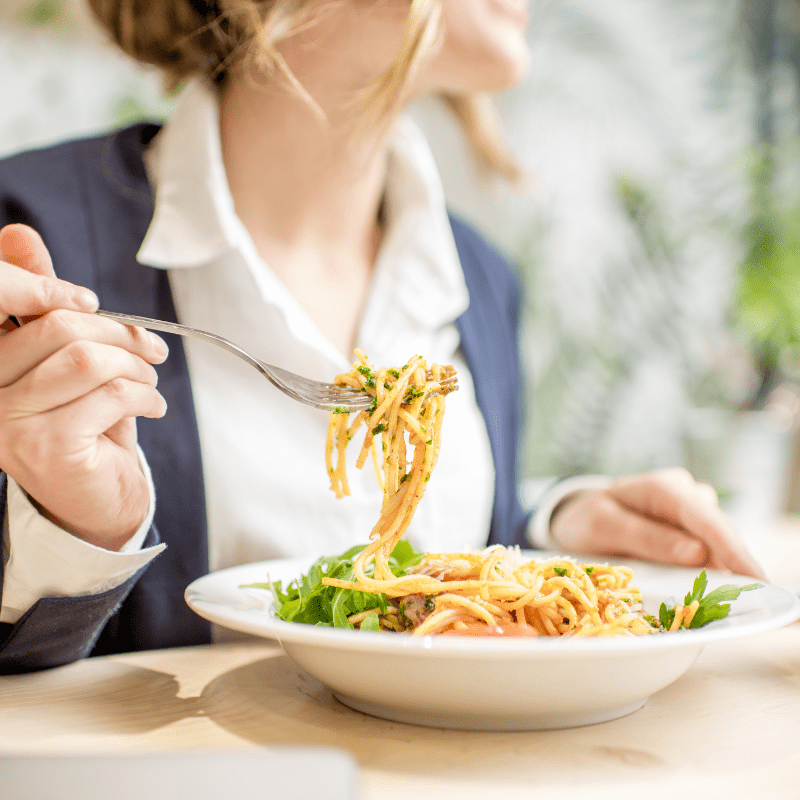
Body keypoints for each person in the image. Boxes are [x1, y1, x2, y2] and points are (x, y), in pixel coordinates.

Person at [0, 0, 762, 673]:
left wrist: (556, 525)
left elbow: (432, 574)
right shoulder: (32, 233)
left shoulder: (479, 275)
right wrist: (73, 531)